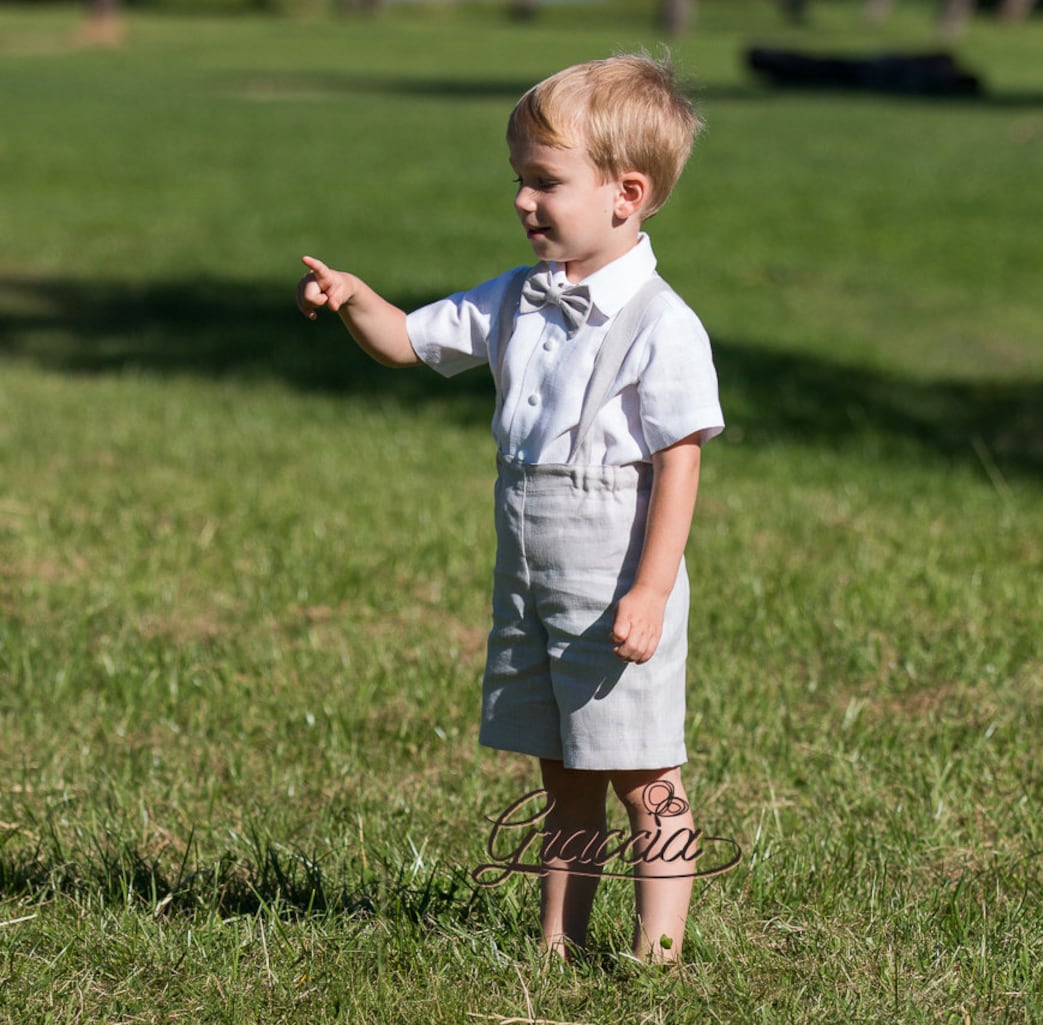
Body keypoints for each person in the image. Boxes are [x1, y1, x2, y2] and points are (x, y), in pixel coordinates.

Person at [296, 53, 724, 963]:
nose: (523, 201)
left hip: (614, 577)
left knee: (644, 771)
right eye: (519, 180)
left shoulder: (660, 323)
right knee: (562, 764)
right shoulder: (518, 298)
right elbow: (410, 342)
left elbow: (677, 467)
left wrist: (650, 591)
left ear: (627, 193)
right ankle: (559, 940)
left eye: (544, 181)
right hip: (530, 566)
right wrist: (354, 299)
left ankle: (660, 952)